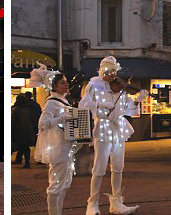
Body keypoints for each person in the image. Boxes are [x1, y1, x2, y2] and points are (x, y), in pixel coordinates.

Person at [79, 57, 144, 214]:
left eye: (114, 71)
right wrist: (100, 105)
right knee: (99, 168)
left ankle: (117, 202)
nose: (112, 75)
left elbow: (129, 111)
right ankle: (92, 203)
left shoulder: (120, 89)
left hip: (119, 129)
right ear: (102, 71)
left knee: (118, 168)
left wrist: (137, 101)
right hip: (103, 128)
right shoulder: (94, 86)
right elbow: (83, 104)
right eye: (109, 71)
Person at [28, 66, 77, 215]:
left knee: (64, 183)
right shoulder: (52, 102)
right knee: (56, 185)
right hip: (58, 147)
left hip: (65, 146)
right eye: (62, 83)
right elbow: (42, 124)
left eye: (66, 82)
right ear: (54, 86)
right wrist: (62, 118)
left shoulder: (63, 101)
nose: (66, 85)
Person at [11, 92, 41, 168]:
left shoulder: (16, 110)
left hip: (19, 131)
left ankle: (23, 161)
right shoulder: (30, 108)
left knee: (22, 146)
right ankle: (23, 161)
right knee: (24, 146)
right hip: (28, 130)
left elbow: (13, 122)